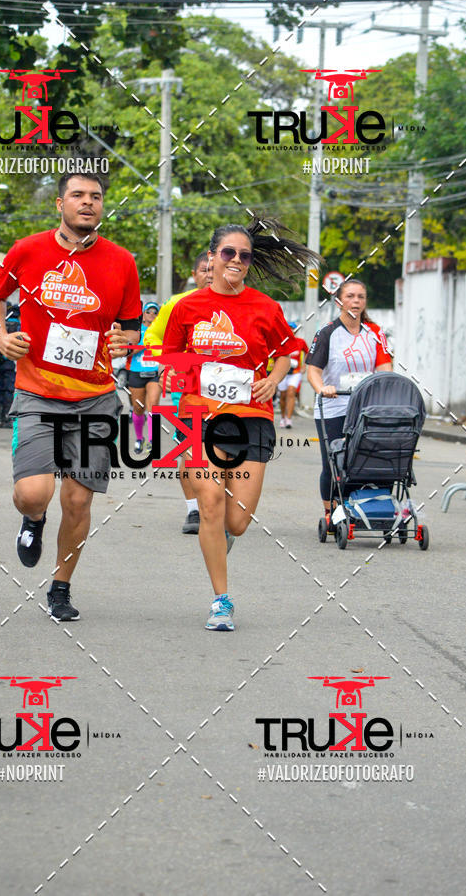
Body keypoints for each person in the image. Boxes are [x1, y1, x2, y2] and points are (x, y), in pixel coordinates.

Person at [0, 172, 141, 622]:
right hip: (38, 391)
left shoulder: (122, 261)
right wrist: (0, 335)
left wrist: (124, 341)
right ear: (60, 204)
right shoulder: (29, 249)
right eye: (78, 195)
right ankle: (33, 520)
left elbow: (131, 326)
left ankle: (60, 587)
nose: (88, 203)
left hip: (96, 397)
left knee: (78, 501)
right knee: (35, 493)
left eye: (95, 197)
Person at [161, 218, 319, 631]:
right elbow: (173, 353)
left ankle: (220, 535)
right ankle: (221, 601)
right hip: (202, 416)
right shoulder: (186, 307)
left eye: (244, 255)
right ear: (212, 257)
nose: (236, 260)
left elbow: (287, 350)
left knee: (237, 521)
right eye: (228, 253)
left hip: (251, 418)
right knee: (210, 502)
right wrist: (175, 373)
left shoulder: (265, 308)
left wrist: (274, 376)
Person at [305, 278, 392, 525]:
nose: (355, 301)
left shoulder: (374, 332)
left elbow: (385, 368)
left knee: (367, 460)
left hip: (366, 409)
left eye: (360, 297)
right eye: (350, 296)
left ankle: (365, 508)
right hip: (334, 407)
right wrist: (322, 388)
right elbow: (313, 370)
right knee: (333, 463)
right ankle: (330, 512)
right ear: (339, 301)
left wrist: (384, 389)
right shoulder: (327, 333)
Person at [144, 251, 210, 534]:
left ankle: (218, 504)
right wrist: (166, 369)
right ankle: (194, 510)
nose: (209, 274)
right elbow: (153, 337)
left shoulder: (236, 303)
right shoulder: (177, 303)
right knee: (192, 451)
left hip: (228, 392)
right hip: (187, 389)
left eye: (213, 269)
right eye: (203, 270)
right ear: (194, 276)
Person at [127, 301, 161, 454]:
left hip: (154, 373)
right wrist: (144, 346)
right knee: (138, 408)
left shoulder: (161, 331)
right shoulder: (137, 330)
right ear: (143, 313)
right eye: (149, 312)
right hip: (136, 372)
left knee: (153, 405)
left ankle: (153, 441)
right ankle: (139, 439)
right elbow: (128, 351)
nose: (152, 315)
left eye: (155, 312)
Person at [277, 323, 308, 428]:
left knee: (291, 392)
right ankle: (282, 417)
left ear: (295, 330)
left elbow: (308, 353)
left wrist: (304, 365)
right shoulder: (281, 342)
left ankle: (289, 419)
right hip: (283, 372)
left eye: (292, 329)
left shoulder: (300, 342)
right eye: (288, 329)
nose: (290, 331)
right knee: (283, 395)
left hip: (295, 372)